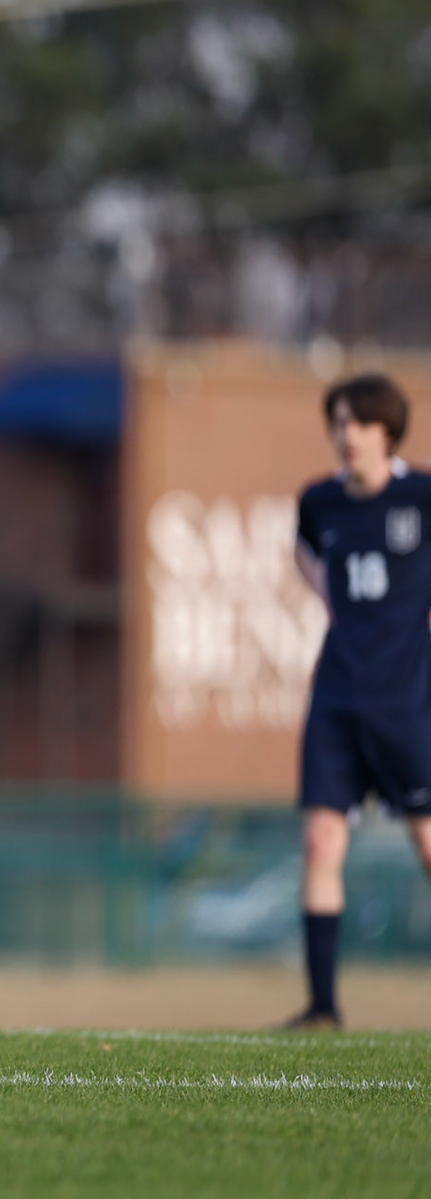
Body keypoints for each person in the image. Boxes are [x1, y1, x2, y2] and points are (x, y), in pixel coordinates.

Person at [288, 372, 431, 1030]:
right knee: (321, 841)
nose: (346, 435)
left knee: (427, 841)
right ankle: (322, 1007)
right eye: (339, 422)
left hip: (408, 700)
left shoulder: (422, 497)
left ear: (387, 431)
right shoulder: (319, 502)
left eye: (358, 422)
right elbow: (309, 562)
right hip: (338, 696)